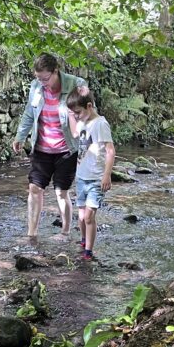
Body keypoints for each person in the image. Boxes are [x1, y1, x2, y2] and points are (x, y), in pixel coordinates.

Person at [11, 53, 88, 240]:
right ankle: (32, 234)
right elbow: (29, 113)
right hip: (41, 148)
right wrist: (20, 136)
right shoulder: (36, 87)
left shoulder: (76, 85)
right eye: (38, 78)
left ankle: (65, 231)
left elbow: (87, 117)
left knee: (61, 192)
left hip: (66, 150)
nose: (42, 82)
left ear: (56, 72)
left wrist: (87, 148)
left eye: (45, 78)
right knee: (34, 188)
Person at [66, 87, 114, 261]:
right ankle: (84, 240)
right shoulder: (82, 121)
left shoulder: (100, 124)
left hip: (95, 178)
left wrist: (107, 175)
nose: (76, 115)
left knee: (89, 216)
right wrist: (72, 116)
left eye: (78, 112)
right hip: (81, 177)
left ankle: (88, 251)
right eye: (74, 113)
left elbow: (110, 150)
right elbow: (74, 133)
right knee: (81, 216)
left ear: (89, 106)